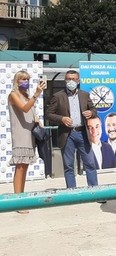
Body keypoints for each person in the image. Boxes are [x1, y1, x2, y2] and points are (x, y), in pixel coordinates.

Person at [46, 70, 98, 188]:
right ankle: (72, 192)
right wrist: (62, 118)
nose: (71, 81)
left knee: (90, 163)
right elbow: (48, 114)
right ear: (65, 80)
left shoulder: (85, 95)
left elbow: (94, 110)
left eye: (73, 79)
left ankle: (95, 191)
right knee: (69, 165)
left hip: (82, 133)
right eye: (68, 79)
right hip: (67, 134)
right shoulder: (58, 96)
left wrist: (91, 112)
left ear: (78, 81)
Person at [8, 70, 46, 213]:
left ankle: (21, 198)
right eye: (23, 79)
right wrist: (37, 94)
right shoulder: (13, 95)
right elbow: (24, 108)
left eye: (27, 79)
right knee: (20, 167)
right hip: (20, 134)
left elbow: (29, 111)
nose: (26, 82)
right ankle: (17, 201)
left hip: (29, 133)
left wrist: (36, 119)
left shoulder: (26, 95)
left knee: (25, 167)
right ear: (17, 81)